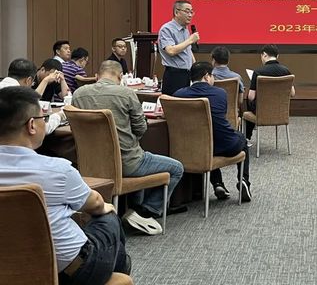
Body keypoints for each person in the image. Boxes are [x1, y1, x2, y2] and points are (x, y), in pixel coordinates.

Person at [0, 87, 131, 284]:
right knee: (108, 217)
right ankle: (120, 271)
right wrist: (105, 207)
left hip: (8, 267)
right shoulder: (57, 170)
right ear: (31, 125)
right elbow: (95, 204)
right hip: (71, 271)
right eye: (44, 118)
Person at [72, 61, 184, 235]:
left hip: (91, 164)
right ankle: (145, 212)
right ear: (120, 77)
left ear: (97, 76)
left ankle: (133, 209)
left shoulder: (78, 94)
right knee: (177, 168)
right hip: (128, 163)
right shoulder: (126, 93)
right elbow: (141, 129)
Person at [174, 61, 252, 202]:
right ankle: (243, 180)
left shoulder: (178, 95)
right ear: (206, 76)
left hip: (194, 147)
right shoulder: (220, 93)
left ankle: (217, 183)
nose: (213, 79)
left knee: (206, 142)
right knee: (242, 139)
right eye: (212, 76)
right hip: (224, 144)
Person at [0, 59, 66, 134]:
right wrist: (59, 116)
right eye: (32, 83)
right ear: (28, 80)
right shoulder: (19, 96)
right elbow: (41, 129)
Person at [246, 44, 295, 141]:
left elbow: (251, 97)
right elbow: (292, 93)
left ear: (264, 55)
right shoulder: (286, 71)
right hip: (280, 111)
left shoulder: (258, 72)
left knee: (249, 100)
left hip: (261, 111)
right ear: (277, 56)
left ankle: (247, 137)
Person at [158, 0, 199, 95]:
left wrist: (195, 66)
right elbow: (171, 51)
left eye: (191, 12)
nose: (190, 15)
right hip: (174, 75)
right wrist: (190, 40)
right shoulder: (166, 29)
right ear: (177, 12)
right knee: (174, 103)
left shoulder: (185, 29)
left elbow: (187, 50)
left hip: (187, 74)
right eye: (187, 11)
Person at [211, 46, 244, 110]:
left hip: (213, 114)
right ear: (228, 61)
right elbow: (240, 101)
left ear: (213, 60)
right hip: (232, 114)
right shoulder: (237, 78)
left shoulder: (208, 78)